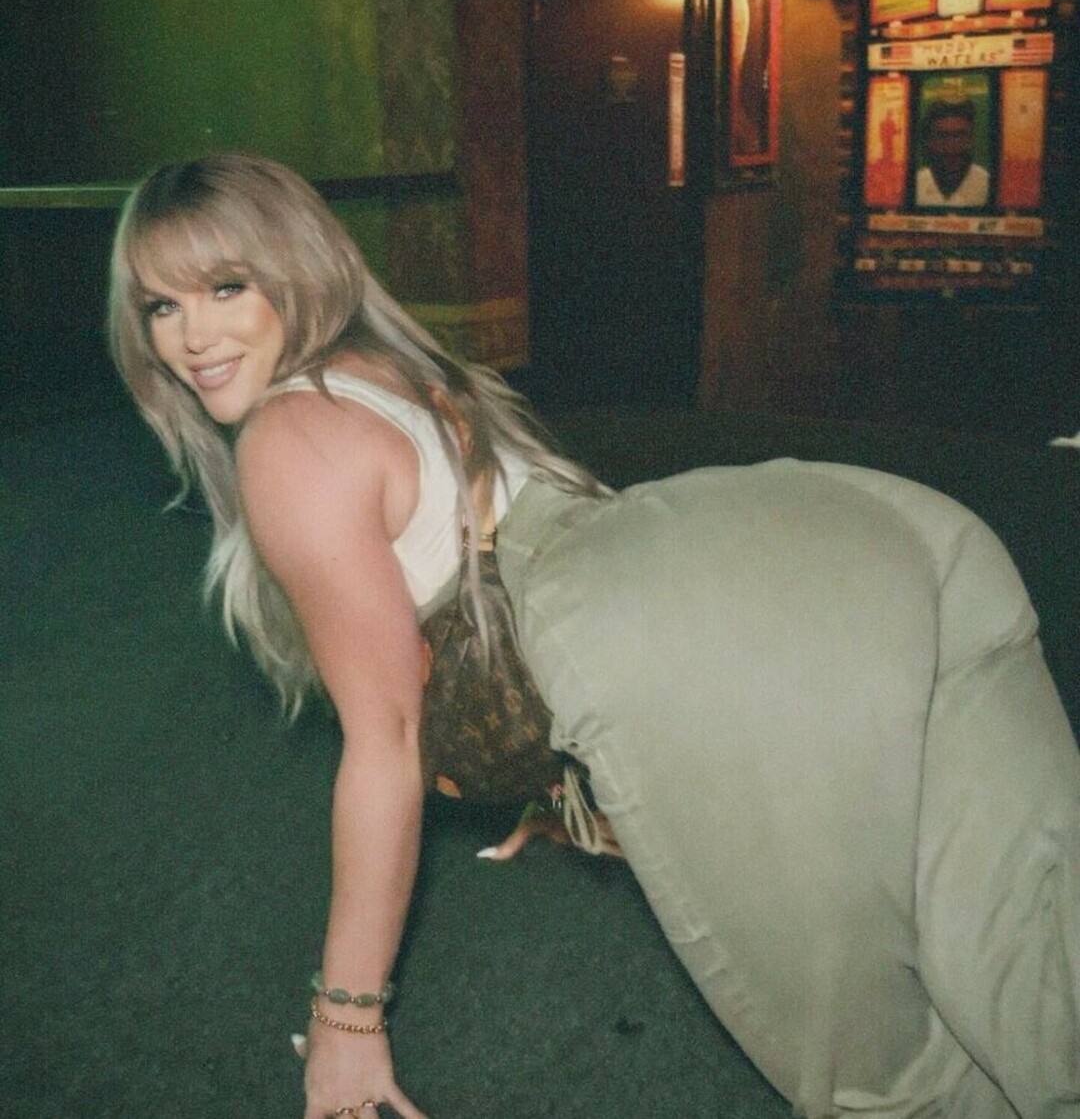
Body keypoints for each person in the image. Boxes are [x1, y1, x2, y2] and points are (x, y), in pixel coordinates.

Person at [109, 153, 1080, 1119]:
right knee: (1032, 950)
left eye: (225, 288)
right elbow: (519, 574)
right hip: (860, 544)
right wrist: (561, 770)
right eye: (160, 306)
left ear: (296, 271)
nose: (193, 336)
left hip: (703, 652)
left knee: (887, 1075)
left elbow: (388, 740)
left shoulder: (289, 440)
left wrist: (347, 1020)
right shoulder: (383, 367)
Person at [915, 97, 991, 208]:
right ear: (929, 141)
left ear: (971, 139)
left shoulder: (988, 186)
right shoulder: (916, 185)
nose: (951, 145)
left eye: (959, 135)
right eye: (942, 136)